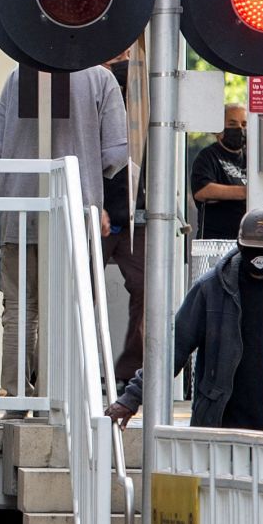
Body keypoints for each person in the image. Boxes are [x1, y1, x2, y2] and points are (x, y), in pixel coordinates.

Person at [0, 63, 128, 396]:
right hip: (74, 211)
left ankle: (17, 396)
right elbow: (116, 153)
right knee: (67, 305)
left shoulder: (18, 74)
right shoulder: (100, 78)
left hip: (18, 209)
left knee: (20, 306)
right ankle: (59, 395)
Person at [106, 209, 263, 432]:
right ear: (240, 246)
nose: (259, 259)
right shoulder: (213, 287)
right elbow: (173, 349)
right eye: (254, 250)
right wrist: (131, 397)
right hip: (221, 424)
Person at [99, 51, 148, 384]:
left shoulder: (145, 97)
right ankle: (83, 365)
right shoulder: (94, 85)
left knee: (148, 289)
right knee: (81, 292)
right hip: (97, 210)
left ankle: (129, 371)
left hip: (135, 216)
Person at [187, 104, 249, 243]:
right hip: (215, 242)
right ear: (218, 130)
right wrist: (245, 192)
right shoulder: (208, 157)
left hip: (247, 242)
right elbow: (203, 191)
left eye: (244, 124)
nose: (240, 129)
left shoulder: (251, 159)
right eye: (232, 124)